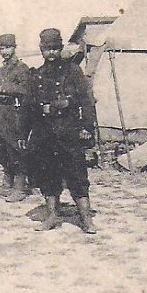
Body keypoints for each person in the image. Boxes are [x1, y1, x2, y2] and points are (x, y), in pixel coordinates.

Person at [20, 28, 99, 234]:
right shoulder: (36, 75)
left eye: (55, 48)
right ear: (41, 50)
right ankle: (52, 215)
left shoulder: (73, 71)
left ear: (61, 48)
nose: (51, 53)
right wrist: (23, 133)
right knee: (48, 175)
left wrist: (87, 128)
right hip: (44, 134)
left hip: (68, 132)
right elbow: (28, 106)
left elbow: (87, 101)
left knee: (77, 175)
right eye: (47, 49)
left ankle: (86, 219)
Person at [0, 34, 32, 201]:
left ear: (14, 47)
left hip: (14, 114)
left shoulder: (21, 68)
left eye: (8, 47)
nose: (4, 51)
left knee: (15, 149)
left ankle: (20, 187)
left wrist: (5, 87)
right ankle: (8, 181)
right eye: (2, 48)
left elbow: (25, 89)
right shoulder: (1, 70)